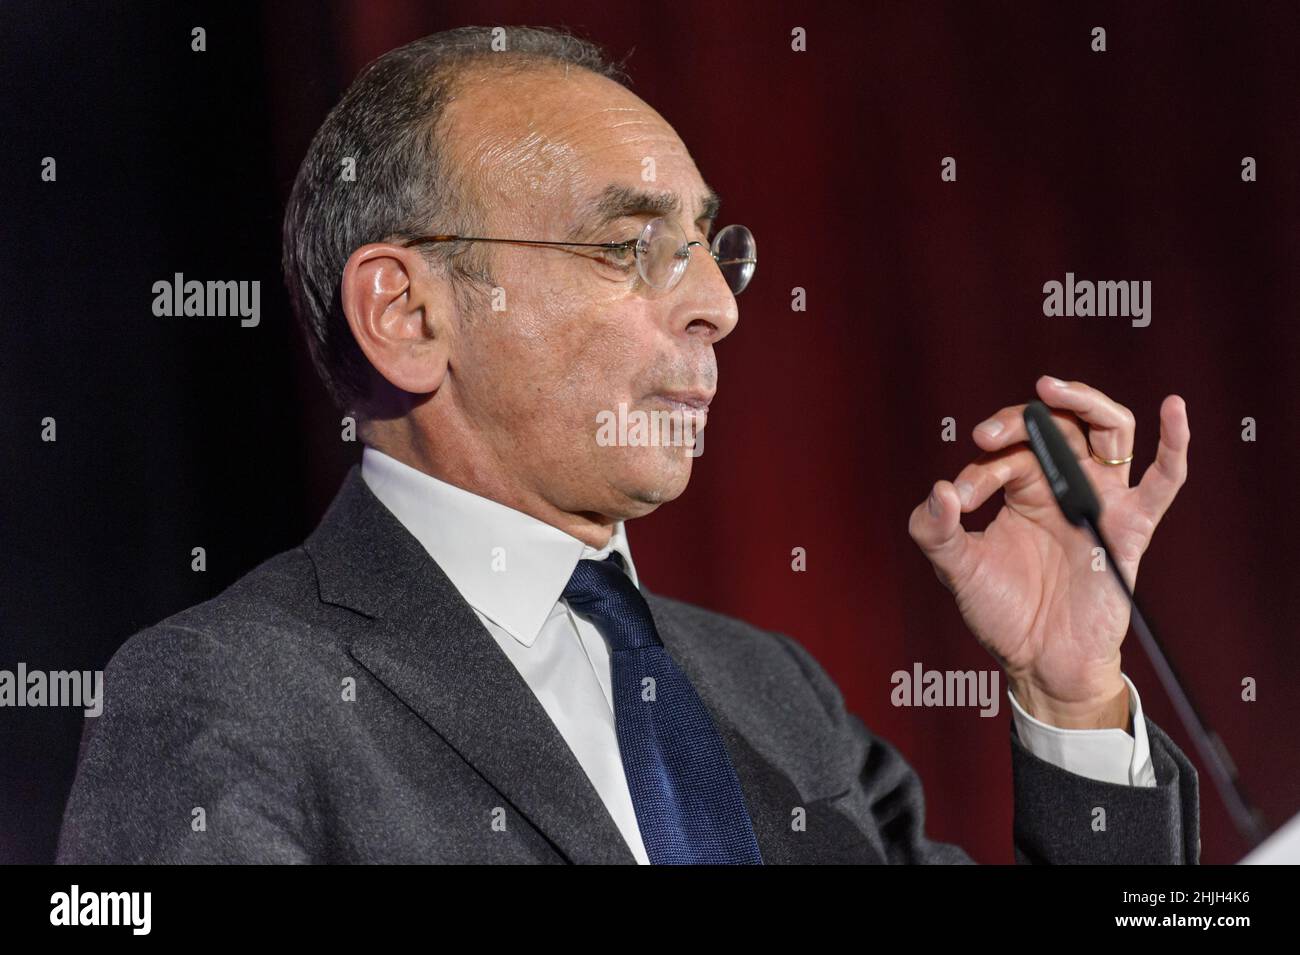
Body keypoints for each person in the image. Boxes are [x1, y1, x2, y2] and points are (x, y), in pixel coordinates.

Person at [57, 25, 1198, 864]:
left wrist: (1071, 690)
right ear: (407, 314)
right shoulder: (229, 691)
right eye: (626, 248)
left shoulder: (771, 692)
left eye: (711, 249)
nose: (718, 307)